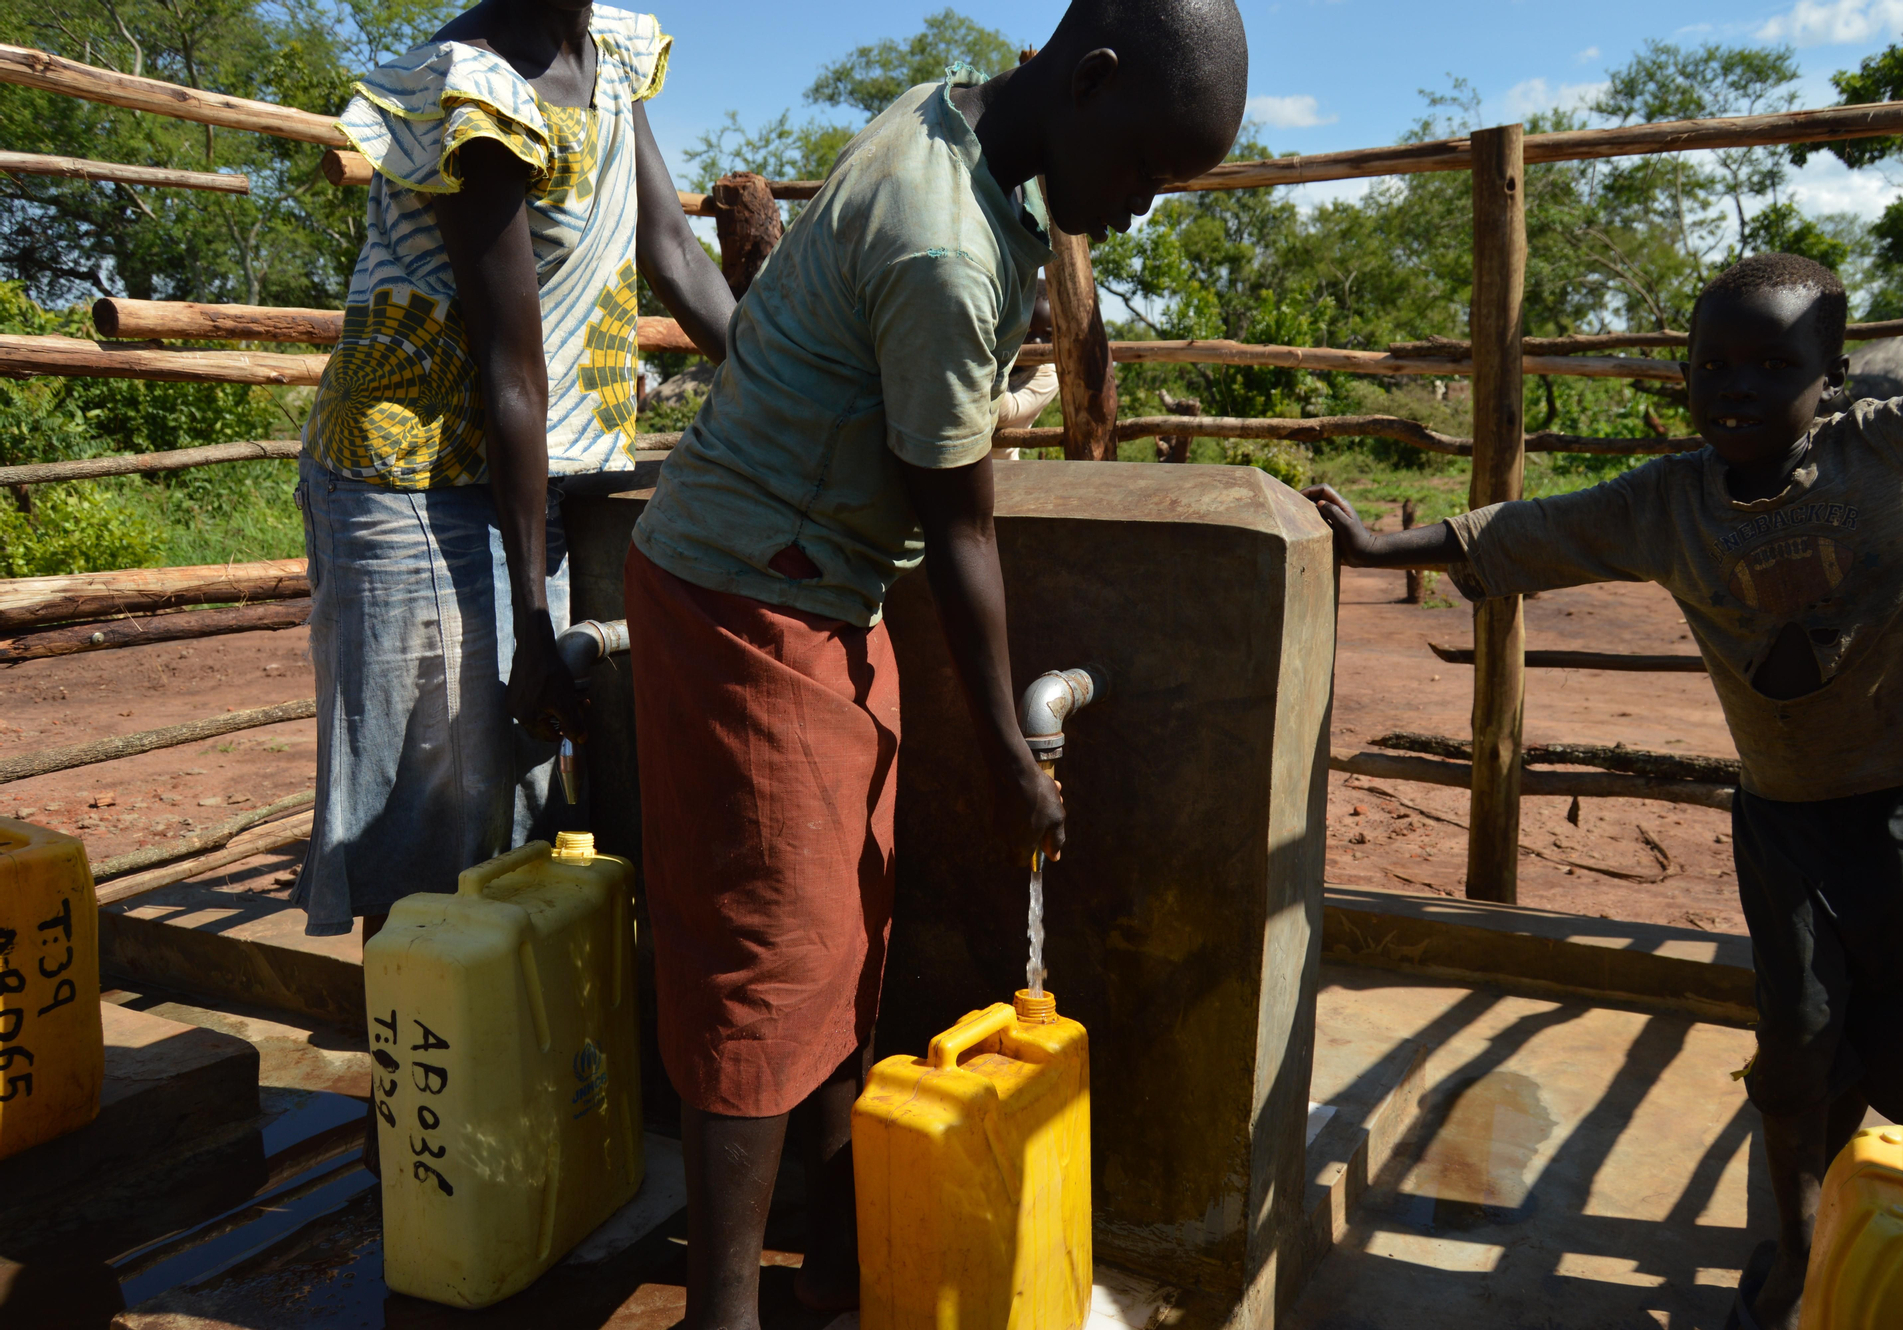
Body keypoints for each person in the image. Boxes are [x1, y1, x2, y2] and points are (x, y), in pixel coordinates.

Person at [624, 0, 1247, 1321]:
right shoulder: (948, 248)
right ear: (1088, 81)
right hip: (752, 598)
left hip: (815, 590)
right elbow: (961, 528)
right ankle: (722, 1310)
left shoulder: (948, 110)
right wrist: (1017, 758)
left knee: (841, 933)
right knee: (764, 957)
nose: (1136, 209)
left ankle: (850, 1254)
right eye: (1141, 167)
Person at [1309, 252, 1903, 1330]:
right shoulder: (1672, 505)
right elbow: (1533, 533)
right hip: (1783, 827)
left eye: (1773, 363)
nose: (1737, 387)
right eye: (1711, 363)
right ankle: (1801, 1246)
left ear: (1832, 369)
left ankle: (1893, 1265)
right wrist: (1380, 543)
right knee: (1798, 1043)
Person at [292, 0, 733, 945]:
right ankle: (419, 1077)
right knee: (434, 808)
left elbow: (671, 247)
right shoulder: (475, 86)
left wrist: (783, 377)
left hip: (530, 462)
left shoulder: (610, 46)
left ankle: (495, 1074)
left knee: (517, 788)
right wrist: (535, 618)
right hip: (412, 467)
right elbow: (511, 368)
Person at [995, 279, 1060, 460]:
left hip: (1001, 468)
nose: (1036, 342)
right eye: (1027, 330)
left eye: (1047, 335)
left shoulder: (1048, 375)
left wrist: (993, 362)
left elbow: (1004, 414)